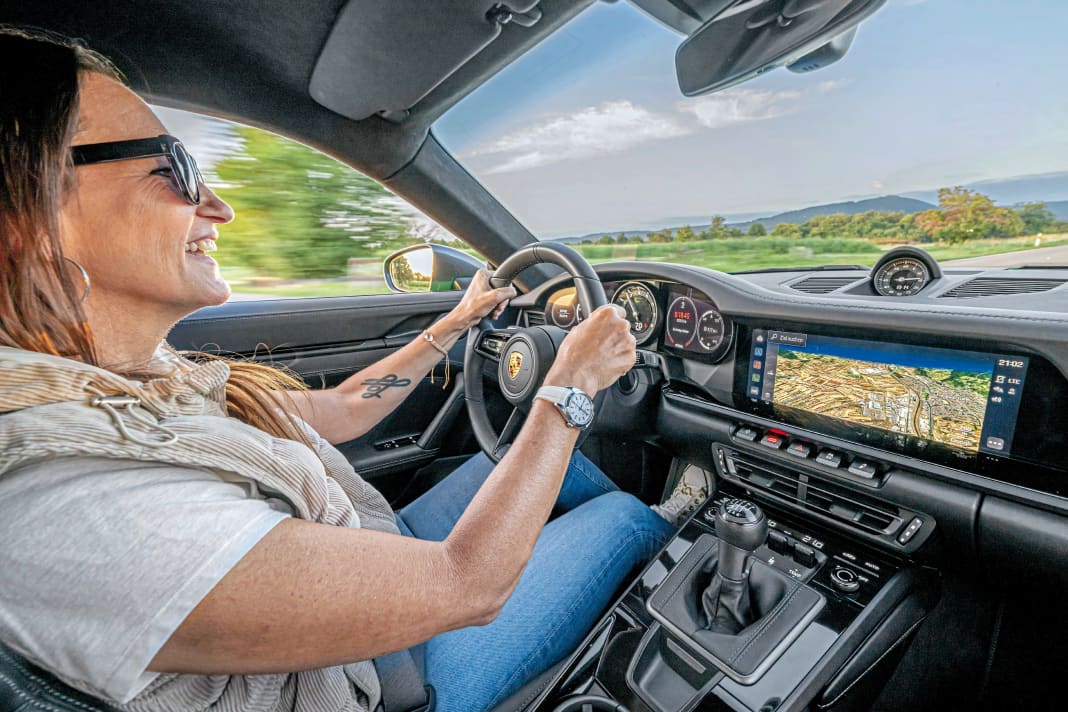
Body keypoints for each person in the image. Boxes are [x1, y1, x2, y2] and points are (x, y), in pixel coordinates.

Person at [0, 28, 681, 712]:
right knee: (625, 514)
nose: (219, 208)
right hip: (392, 680)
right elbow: (468, 584)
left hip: (370, 559)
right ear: (23, 217)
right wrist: (569, 389)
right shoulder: (70, 505)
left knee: (576, 470)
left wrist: (454, 323)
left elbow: (351, 407)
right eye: (173, 168)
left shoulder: (142, 385)